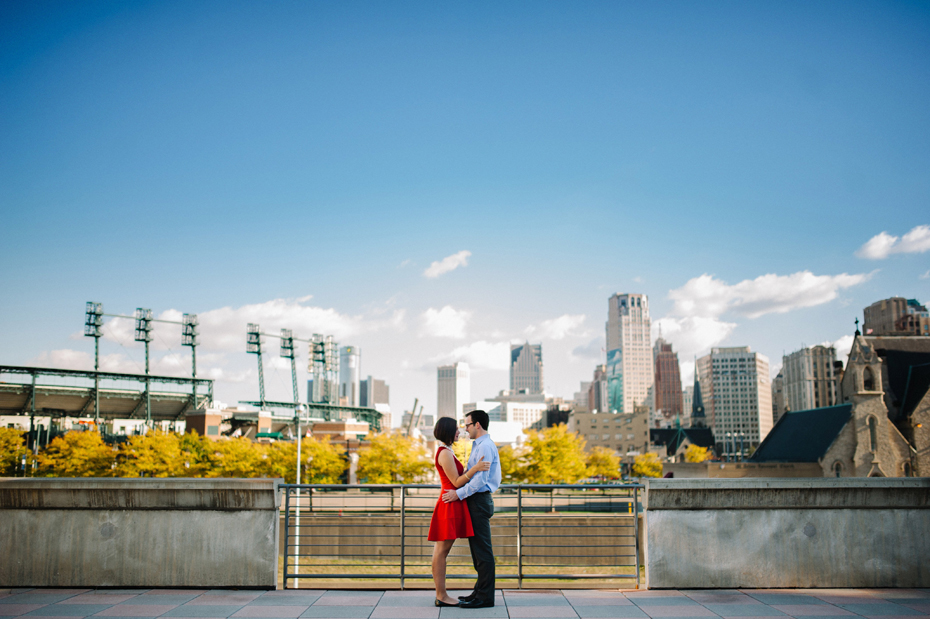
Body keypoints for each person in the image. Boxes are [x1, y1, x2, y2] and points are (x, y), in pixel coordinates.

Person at [429, 416, 491, 608]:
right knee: (441, 551)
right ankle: (441, 595)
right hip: (449, 504)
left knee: (441, 551)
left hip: (452, 502)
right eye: (456, 429)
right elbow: (456, 482)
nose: (460, 432)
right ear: (448, 431)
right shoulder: (444, 453)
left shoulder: (447, 451)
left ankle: (442, 594)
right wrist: (475, 469)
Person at [442, 409, 502, 609]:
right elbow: (472, 474)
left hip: (479, 500)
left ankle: (485, 597)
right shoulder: (479, 446)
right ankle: (479, 592)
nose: (465, 429)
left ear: (477, 425)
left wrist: (457, 494)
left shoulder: (485, 447)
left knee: (483, 552)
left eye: (467, 425)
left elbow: (479, 482)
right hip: (475, 501)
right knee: (478, 552)